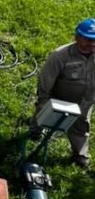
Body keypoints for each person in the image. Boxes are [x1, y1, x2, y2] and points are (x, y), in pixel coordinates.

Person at [30, 19, 95, 169]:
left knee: (81, 125)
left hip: (86, 100)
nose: (92, 44)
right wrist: (44, 99)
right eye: (88, 39)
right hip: (59, 98)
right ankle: (35, 130)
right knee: (45, 116)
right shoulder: (60, 56)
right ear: (77, 37)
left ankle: (80, 154)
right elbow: (46, 80)